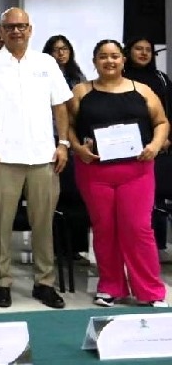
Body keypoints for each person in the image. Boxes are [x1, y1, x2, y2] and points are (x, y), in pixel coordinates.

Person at [0, 8, 72, 309]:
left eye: (22, 26)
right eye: (10, 26)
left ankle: (45, 283)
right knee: (0, 224)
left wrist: (64, 144)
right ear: (1, 31)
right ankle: (2, 283)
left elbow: (60, 106)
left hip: (44, 157)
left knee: (43, 224)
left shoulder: (46, 63)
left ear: (30, 29)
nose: (16, 31)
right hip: (1, 157)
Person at [68, 40, 170, 308]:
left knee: (138, 228)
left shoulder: (142, 90)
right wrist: (77, 148)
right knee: (104, 229)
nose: (109, 61)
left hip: (137, 171)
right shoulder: (81, 91)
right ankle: (110, 287)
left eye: (114, 56)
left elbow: (161, 122)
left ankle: (150, 290)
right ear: (94, 61)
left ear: (123, 60)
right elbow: (68, 126)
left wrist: (155, 145)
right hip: (94, 171)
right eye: (103, 56)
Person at [124, 36, 172, 263]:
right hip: (126, 148)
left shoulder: (161, 79)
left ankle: (158, 247)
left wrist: (167, 139)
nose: (143, 53)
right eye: (138, 49)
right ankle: (130, 247)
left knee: (156, 199)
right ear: (129, 52)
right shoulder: (121, 77)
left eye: (148, 50)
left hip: (158, 147)